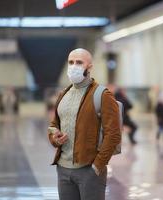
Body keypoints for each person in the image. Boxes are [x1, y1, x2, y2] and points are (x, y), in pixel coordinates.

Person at [48, 48, 121, 200]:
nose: (74, 66)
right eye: (71, 62)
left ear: (89, 67)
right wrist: (55, 137)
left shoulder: (102, 95)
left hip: (89, 170)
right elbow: (54, 124)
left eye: (79, 62)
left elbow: (113, 134)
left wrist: (97, 165)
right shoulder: (63, 94)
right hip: (63, 169)